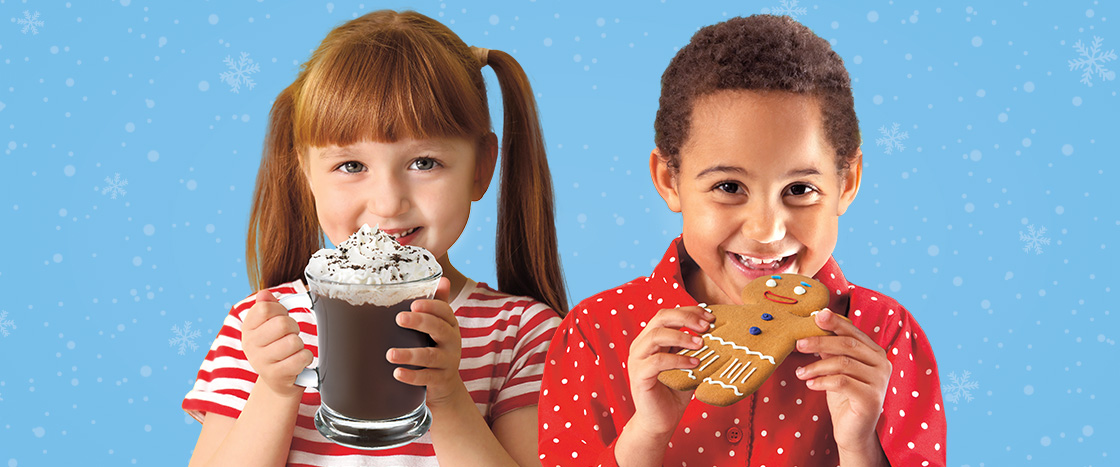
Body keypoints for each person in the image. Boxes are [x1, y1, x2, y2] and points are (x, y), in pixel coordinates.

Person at [539, 15, 946, 467]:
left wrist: (858, 447)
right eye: (729, 188)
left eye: (799, 190)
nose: (767, 231)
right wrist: (647, 435)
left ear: (847, 183)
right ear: (669, 180)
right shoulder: (596, 332)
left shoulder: (885, 337)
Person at [182, 10, 566, 467]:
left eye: (424, 162)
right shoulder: (262, 327)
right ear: (306, 172)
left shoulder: (522, 336)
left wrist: (446, 397)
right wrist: (274, 389)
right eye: (351, 166)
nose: (388, 203)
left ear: (481, 168)